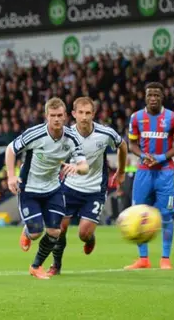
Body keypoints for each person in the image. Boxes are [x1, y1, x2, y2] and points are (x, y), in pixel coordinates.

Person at [5, 97, 89, 280]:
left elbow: (84, 166)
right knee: (36, 232)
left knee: (54, 232)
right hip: (29, 189)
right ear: (46, 116)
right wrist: (11, 176)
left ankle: (36, 266)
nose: (57, 119)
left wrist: (78, 168)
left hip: (53, 189)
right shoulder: (35, 134)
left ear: (66, 116)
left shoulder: (72, 138)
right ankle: (28, 231)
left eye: (60, 115)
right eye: (53, 115)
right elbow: (11, 149)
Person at [48, 97, 128, 275]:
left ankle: (90, 239)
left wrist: (121, 171)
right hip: (69, 187)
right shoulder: (65, 134)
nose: (84, 117)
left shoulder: (105, 134)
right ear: (74, 114)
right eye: (80, 113)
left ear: (94, 114)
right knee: (60, 228)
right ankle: (56, 265)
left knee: (83, 233)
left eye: (88, 113)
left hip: (94, 191)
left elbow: (123, 146)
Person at [125, 82, 174, 270]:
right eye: (150, 95)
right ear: (145, 97)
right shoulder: (136, 118)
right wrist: (143, 155)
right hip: (143, 172)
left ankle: (165, 258)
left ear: (162, 97)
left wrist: (161, 157)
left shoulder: (173, 118)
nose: (153, 98)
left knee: (166, 215)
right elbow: (132, 145)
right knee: (138, 214)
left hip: (165, 173)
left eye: (156, 95)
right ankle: (143, 258)